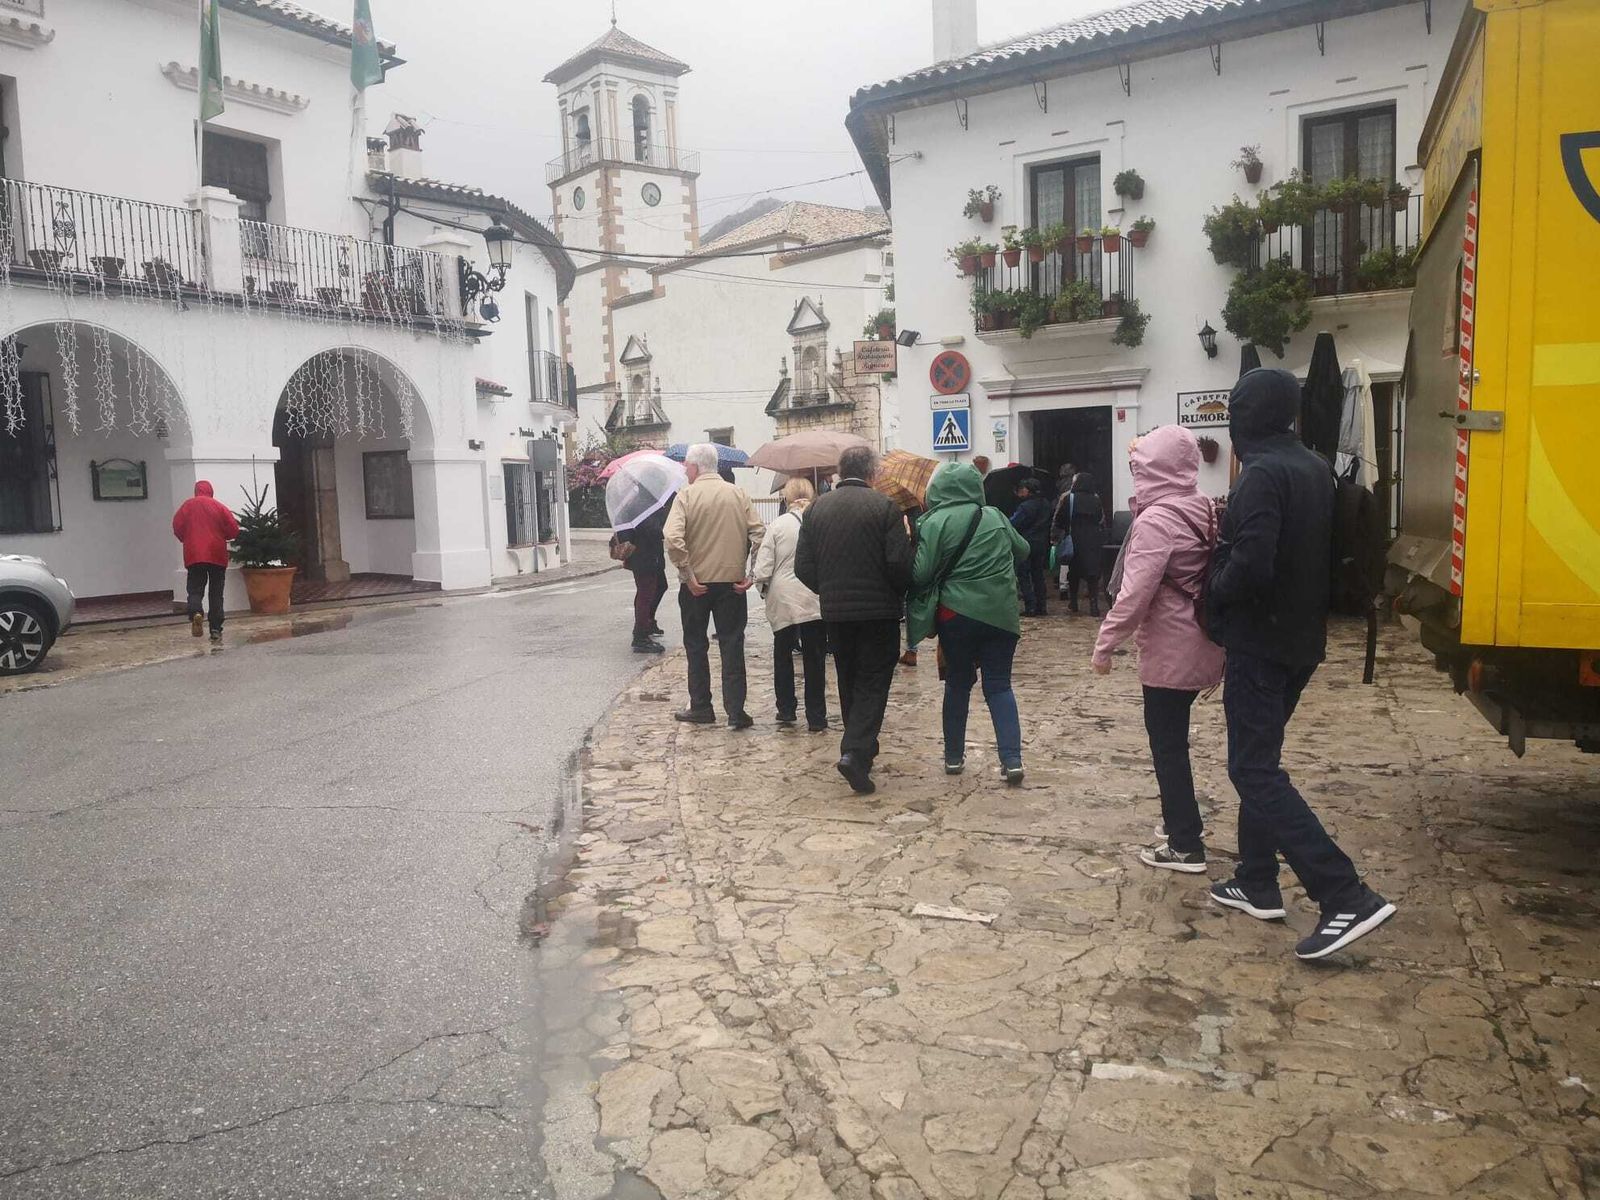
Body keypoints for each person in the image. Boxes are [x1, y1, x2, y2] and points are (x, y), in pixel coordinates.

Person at [1207, 368, 1396, 960]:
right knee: (1262, 760)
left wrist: (1212, 588)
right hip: (1300, 641)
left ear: (1248, 415)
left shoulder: (1261, 474)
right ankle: (1257, 878)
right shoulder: (1314, 466)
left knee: (1253, 770)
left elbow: (1253, 564)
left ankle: (1344, 893)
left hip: (1260, 643)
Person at [1090, 426, 1225, 873]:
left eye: (1139, 466)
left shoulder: (1155, 520)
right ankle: (1177, 823)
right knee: (1174, 742)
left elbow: (1135, 594)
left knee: (1167, 745)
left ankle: (1184, 843)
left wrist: (1105, 644)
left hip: (1170, 648)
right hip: (1205, 640)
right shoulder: (1204, 506)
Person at [795, 446, 913, 794]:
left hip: (836, 613)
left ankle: (861, 750)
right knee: (873, 682)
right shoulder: (885, 507)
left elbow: (803, 566)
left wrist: (829, 590)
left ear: (840, 470)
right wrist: (895, 592)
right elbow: (899, 566)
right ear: (873, 473)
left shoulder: (816, 509)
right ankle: (855, 751)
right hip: (879, 613)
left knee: (848, 680)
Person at [911, 462, 1030, 783]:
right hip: (1002, 616)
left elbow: (920, 574)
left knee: (958, 684)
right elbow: (1024, 549)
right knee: (1000, 685)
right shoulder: (994, 516)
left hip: (956, 616)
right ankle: (1012, 759)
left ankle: (953, 757)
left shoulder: (934, 522)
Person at [663, 443, 766, 729]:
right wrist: (751, 572)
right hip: (732, 582)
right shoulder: (738, 494)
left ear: (695, 467)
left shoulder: (686, 495)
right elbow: (759, 532)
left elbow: (673, 538)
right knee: (732, 644)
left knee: (696, 644)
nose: (685, 471)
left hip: (697, 584)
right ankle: (736, 710)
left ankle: (701, 706)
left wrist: (687, 573)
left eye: (687, 467)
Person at [751, 477, 827, 732]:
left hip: (782, 597)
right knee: (815, 657)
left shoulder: (779, 525)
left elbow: (763, 567)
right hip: (814, 595)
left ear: (787, 497)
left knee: (782, 654)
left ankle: (786, 708)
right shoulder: (821, 521)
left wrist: (762, 588)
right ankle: (816, 715)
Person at [171, 480, 240, 644]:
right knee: (216, 593)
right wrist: (224, 536)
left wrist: (186, 539)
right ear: (211, 491)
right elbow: (233, 529)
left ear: (196, 491)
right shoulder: (219, 506)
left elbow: (177, 526)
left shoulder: (187, 506)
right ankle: (215, 628)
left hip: (194, 554)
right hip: (217, 554)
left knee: (195, 588)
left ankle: (196, 612)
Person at [613, 502, 669, 654]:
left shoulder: (641, 504)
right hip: (644, 557)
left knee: (660, 586)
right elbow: (653, 530)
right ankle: (640, 637)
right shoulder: (643, 507)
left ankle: (647, 622)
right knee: (645, 594)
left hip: (649, 556)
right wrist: (666, 526)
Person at [1056, 471, 1107, 616]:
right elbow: (1099, 518)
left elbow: (1060, 518)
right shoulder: (1095, 500)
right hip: (1092, 540)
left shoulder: (1070, 499)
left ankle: (1073, 602)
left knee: (1074, 573)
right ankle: (1094, 605)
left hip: (1075, 538)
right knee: (1092, 573)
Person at [1009, 478, 1052, 617]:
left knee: (1024, 575)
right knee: (1038, 574)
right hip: (1041, 543)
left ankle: (1030, 606)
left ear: (1029, 490)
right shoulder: (1046, 504)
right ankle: (1042, 606)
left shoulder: (1025, 507)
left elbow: (1013, 523)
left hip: (1026, 543)